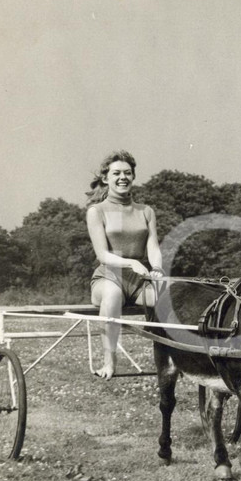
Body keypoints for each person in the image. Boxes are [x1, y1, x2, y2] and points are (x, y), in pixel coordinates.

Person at [85, 150, 163, 379]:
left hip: (139, 282)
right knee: (112, 295)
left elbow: (153, 247)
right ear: (105, 178)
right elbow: (102, 255)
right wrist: (131, 263)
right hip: (108, 277)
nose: (123, 177)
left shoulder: (146, 211)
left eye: (127, 173)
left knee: (170, 298)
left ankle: (172, 359)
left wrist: (157, 269)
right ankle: (109, 362)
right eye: (116, 173)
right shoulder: (97, 211)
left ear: (133, 176)